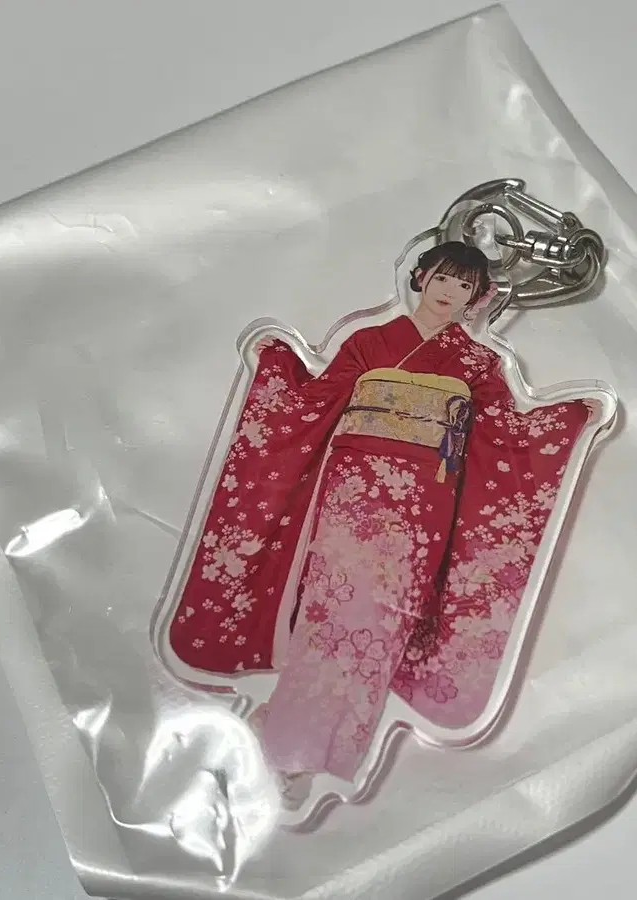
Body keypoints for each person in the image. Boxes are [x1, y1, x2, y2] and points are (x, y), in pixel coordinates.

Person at [166, 241, 592, 807]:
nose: (450, 292)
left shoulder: (477, 362)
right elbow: (316, 398)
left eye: (464, 286)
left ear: (477, 296)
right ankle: (286, 748)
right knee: (333, 611)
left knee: (385, 621)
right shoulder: (368, 342)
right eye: (442, 277)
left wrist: (569, 417)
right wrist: (278, 364)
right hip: (356, 493)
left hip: (423, 503)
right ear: (420, 276)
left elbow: (506, 433)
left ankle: (309, 745)